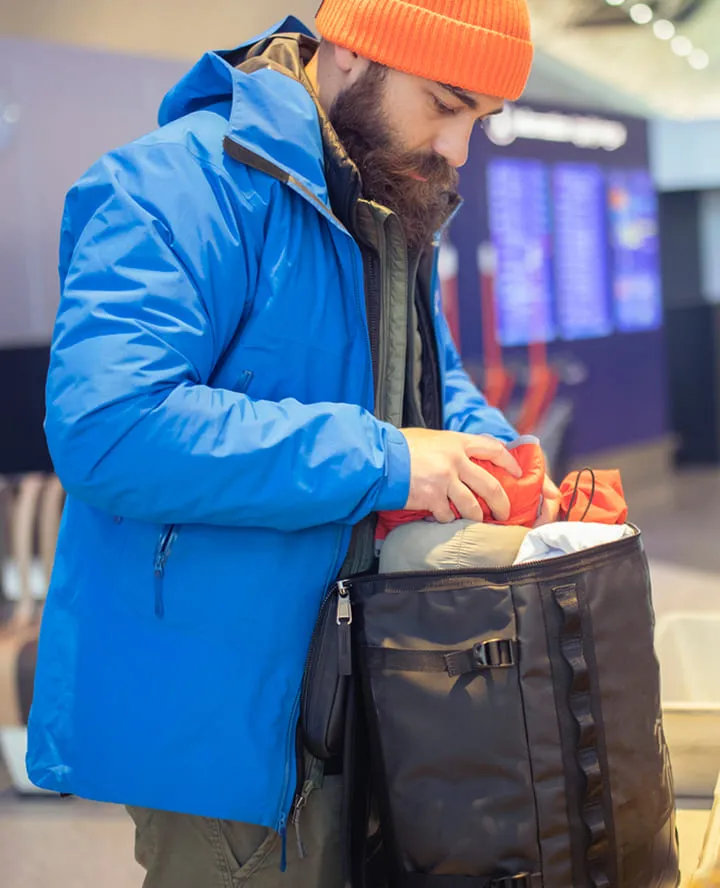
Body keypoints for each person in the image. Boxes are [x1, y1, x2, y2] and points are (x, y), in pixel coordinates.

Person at [28, 1, 558, 885]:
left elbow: (425, 379)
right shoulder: (167, 187)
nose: (461, 149)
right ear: (350, 51)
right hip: (229, 721)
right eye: (445, 103)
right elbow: (109, 428)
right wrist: (384, 459)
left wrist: (491, 451)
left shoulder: (384, 182)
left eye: (482, 121)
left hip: (379, 696)